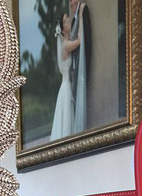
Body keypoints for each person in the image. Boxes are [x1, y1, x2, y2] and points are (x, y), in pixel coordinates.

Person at [50, 8, 82, 141]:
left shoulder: (66, 44)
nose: (68, 21)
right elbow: (80, 41)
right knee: (67, 116)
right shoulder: (66, 45)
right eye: (65, 21)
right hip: (66, 87)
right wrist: (81, 16)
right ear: (62, 30)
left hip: (66, 86)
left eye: (68, 19)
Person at [68, 0, 90, 133]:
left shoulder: (83, 11)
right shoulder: (74, 21)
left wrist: (81, 15)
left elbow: (85, 41)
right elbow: (79, 41)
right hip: (74, 72)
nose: (72, 3)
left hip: (80, 69)